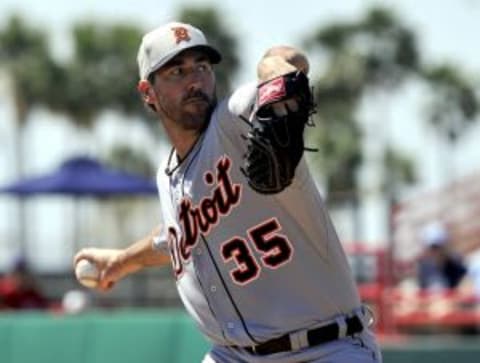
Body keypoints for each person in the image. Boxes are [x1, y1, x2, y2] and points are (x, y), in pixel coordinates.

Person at [74, 21, 381, 362]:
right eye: (177, 71)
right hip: (233, 356)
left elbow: (289, 68)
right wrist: (121, 261)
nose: (195, 81)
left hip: (326, 349)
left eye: (202, 68)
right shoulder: (167, 177)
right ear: (148, 92)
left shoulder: (233, 120)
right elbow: (173, 238)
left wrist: (274, 65)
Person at [417, 221, 467, 292]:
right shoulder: (424, 267)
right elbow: (422, 291)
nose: (436, 251)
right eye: (433, 248)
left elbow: (465, 286)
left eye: (438, 247)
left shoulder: (455, 263)